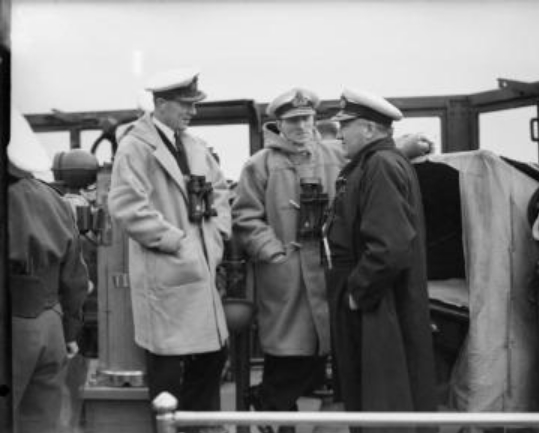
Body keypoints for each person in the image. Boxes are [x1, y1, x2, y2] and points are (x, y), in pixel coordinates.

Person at [107, 68, 231, 426]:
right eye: (185, 105)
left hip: (201, 274)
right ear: (160, 104)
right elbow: (128, 207)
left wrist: (216, 237)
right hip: (167, 276)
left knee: (211, 362)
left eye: (194, 104)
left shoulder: (195, 146)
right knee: (168, 376)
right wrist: (179, 242)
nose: (193, 111)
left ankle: (199, 430)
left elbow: (220, 193)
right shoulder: (135, 147)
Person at [323, 88, 438, 432]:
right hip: (375, 301)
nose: (340, 134)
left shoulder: (381, 166)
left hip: (379, 305)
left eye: (346, 126)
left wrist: (357, 292)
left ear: (369, 129)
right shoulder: (376, 163)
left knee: (384, 402)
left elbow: (390, 246)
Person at [232, 88, 345, 429]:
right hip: (287, 276)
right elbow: (245, 217)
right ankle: (273, 408)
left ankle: (270, 404)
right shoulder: (259, 164)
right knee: (286, 354)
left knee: (322, 351)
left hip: (327, 271)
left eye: (306, 118)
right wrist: (273, 252)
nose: (301, 126)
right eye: (293, 120)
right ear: (278, 124)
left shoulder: (336, 155)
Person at [8, 109, 89, 433]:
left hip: (12, 327)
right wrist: (69, 333)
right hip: (51, 326)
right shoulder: (53, 199)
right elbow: (75, 278)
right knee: (42, 423)